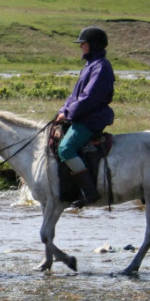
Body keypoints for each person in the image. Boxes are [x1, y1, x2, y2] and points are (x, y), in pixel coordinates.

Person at [54, 26, 114, 208]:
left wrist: (69, 113)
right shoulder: (89, 66)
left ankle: (90, 192)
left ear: (93, 45)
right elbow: (75, 96)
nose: (81, 47)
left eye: (84, 44)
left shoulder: (102, 67)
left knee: (65, 148)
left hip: (92, 118)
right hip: (82, 115)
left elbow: (90, 97)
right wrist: (62, 111)